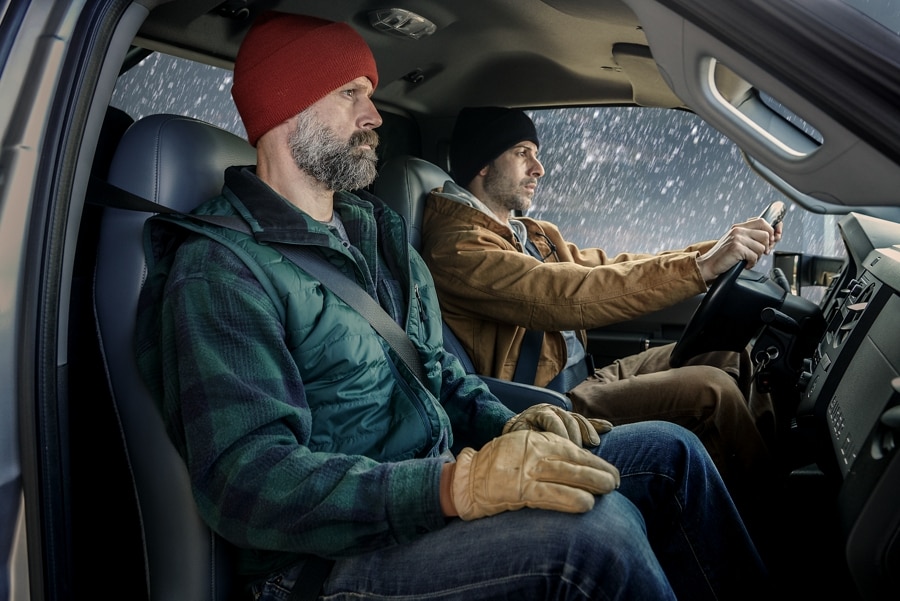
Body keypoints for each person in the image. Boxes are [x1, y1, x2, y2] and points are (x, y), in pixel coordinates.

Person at [135, 12, 769, 600]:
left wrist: (507, 427)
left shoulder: (374, 233)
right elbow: (249, 483)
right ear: (286, 106)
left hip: (428, 488)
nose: (374, 114)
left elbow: (435, 373)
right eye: (349, 93)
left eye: (372, 94)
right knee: (596, 538)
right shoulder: (220, 270)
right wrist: (453, 486)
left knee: (668, 454)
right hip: (325, 561)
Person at [421, 106, 781, 494]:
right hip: (548, 405)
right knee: (713, 389)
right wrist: (701, 269)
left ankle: (767, 469)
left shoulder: (527, 232)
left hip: (586, 378)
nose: (538, 168)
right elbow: (571, 292)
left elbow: (611, 266)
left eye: (536, 154)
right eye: (522, 153)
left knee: (727, 354)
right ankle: (770, 515)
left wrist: (717, 250)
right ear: (482, 164)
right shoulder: (459, 248)